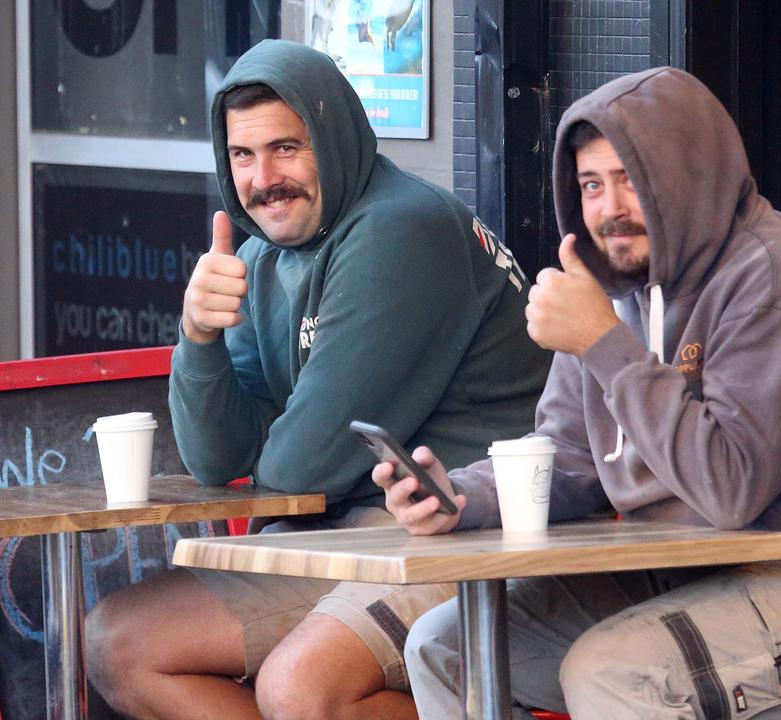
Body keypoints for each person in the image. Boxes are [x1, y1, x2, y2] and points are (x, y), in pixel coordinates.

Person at [375, 67, 781, 719]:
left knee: (617, 673)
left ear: (690, 175)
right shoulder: (610, 295)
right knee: (449, 645)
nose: (608, 209)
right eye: (591, 185)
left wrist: (603, 343)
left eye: (631, 179)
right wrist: (462, 497)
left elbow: (730, 489)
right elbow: (570, 457)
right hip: (710, 577)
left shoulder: (779, 279)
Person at [84, 40, 550, 720]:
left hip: (472, 543)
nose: (263, 178)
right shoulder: (261, 256)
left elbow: (303, 465)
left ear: (333, 140)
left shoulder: (400, 228)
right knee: (120, 642)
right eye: (242, 156)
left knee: (300, 688)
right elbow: (217, 457)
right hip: (350, 535)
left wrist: (272, 444)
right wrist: (198, 335)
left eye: (286, 148)